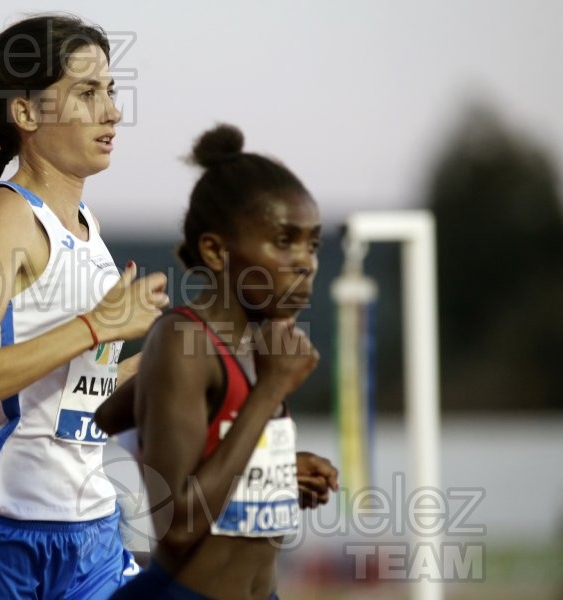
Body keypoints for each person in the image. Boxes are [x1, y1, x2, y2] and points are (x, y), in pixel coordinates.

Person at [0, 15, 168, 599]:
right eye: (87, 93)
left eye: (111, 91)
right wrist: (97, 325)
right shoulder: (6, 214)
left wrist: (161, 367)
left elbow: (67, 402)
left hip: (88, 536)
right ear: (26, 114)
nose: (112, 111)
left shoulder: (87, 228)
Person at [98, 124, 339, 600]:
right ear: (215, 250)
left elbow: (112, 415)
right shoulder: (182, 340)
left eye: (312, 244)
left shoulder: (255, 344)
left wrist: (278, 472)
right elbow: (178, 523)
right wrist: (271, 390)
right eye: (284, 240)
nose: (306, 262)